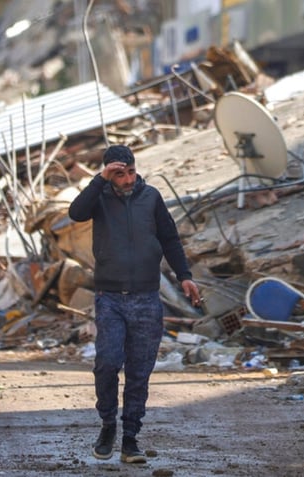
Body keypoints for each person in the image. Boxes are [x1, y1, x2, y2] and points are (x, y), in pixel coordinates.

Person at [68, 144, 201, 463]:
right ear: (108, 173)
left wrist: (185, 275)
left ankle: (130, 439)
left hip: (146, 297)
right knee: (108, 362)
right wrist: (99, 181)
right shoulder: (98, 197)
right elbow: (76, 213)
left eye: (130, 172)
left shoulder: (151, 197)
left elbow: (169, 238)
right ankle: (107, 426)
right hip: (110, 298)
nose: (127, 179)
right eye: (119, 174)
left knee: (140, 371)